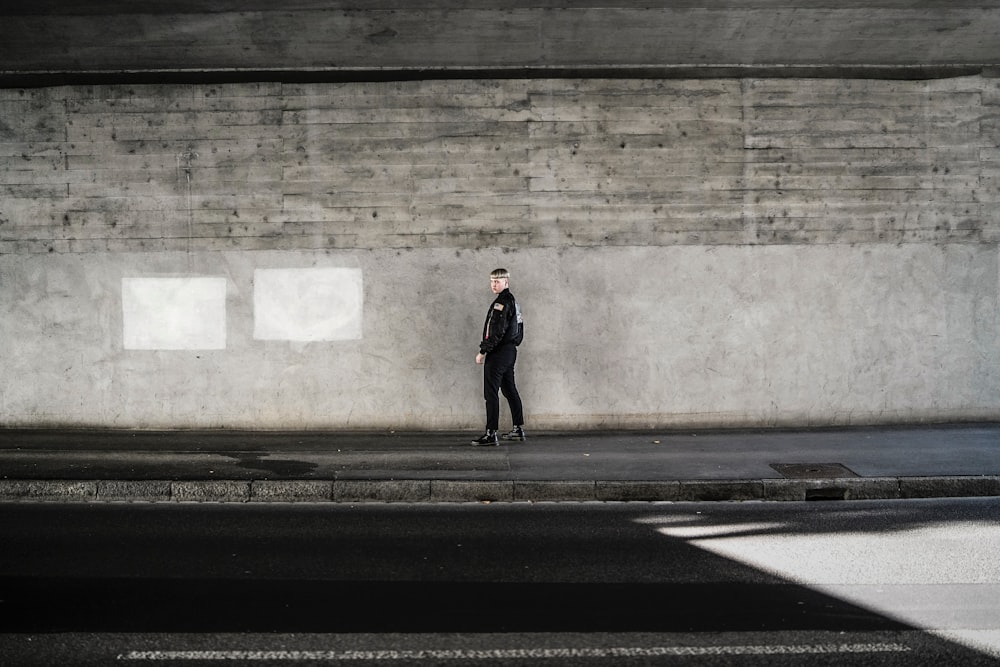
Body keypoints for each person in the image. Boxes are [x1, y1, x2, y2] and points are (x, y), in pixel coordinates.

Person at [471, 268, 526, 446]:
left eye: (498, 281)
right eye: (492, 281)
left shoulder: (501, 303)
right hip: (510, 352)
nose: (494, 284)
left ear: (506, 282)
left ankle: (491, 433)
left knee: (491, 393)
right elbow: (519, 329)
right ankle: (518, 428)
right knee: (510, 390)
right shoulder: (513, 302)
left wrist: (483, 351)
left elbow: (496, 331)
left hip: (499, 353)